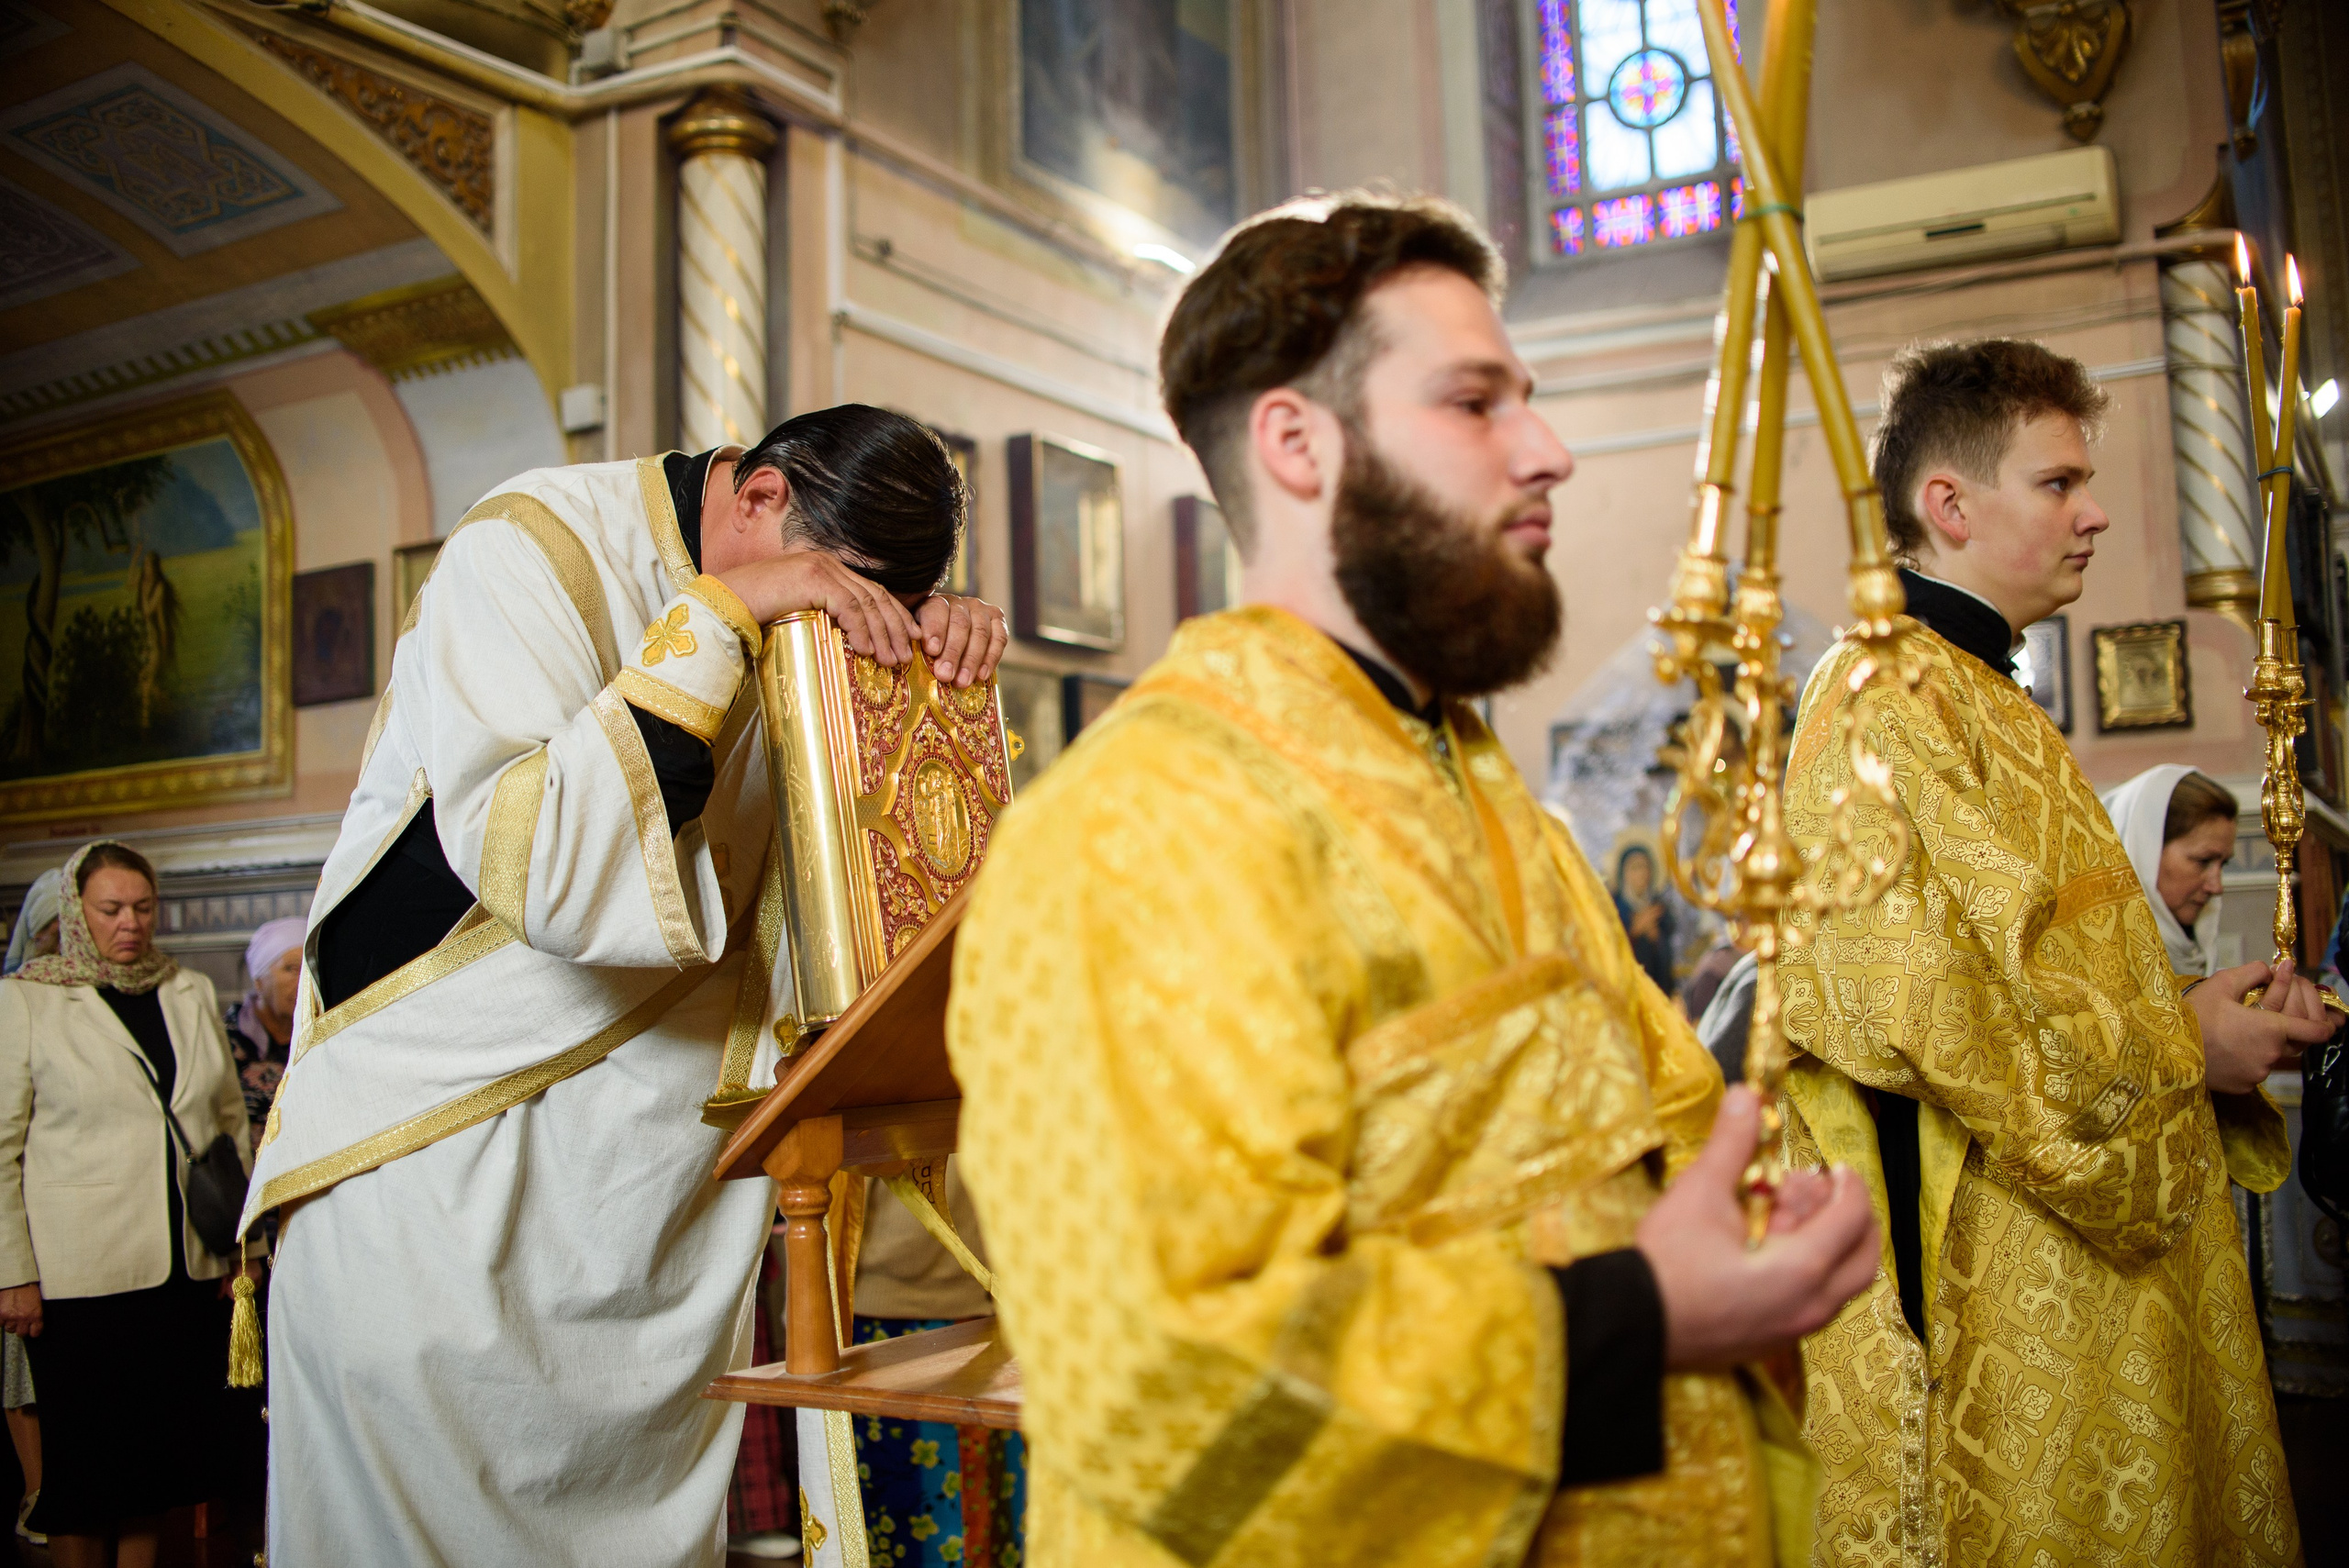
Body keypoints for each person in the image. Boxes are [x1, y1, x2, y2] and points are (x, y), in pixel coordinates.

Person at [948, 193, 1879, 1567]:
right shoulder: (1148, 819)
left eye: (1531, 402)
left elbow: (1625, 1130)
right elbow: (1162, 1375)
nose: (1548, 452)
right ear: (1298, 441)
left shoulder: (1483, 788)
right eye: (1476, 403)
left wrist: (1732, 1220)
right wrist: (1641, 1315)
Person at [241, 406, 1008, 1564]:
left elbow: (862, 891)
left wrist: (921, 666)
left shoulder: (813, 589)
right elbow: (545, 865)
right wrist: (718, 618)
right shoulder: (530, 546)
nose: (830, 620)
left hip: (654, 1218)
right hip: (452, 1168)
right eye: (830, 584)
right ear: (755, 496)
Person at [1777, 339, 2328, 1565]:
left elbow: (2049, 967)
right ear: (1949, 504)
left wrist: (2188, 1001)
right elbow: (1918, 1002)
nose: (2096, 514)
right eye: (2059, 483)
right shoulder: (1883, 697)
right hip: (1993, 1285)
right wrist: (2183, 1043)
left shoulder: (1980, 692)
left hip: (2079, 1259)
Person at [0, 841, 260, 1568]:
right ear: (76, 911)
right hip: (78, 1277)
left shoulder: (187, 989)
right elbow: (0, 1148)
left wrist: (243, 1245)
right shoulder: (29, 996)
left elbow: (228, 1124)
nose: (131, 923)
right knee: (85, 1477)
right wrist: (10, 1272)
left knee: (155, 1468)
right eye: (111, 908)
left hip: (182, 1267)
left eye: (143, 907)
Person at [0, 869, 55, 1549]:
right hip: (17, 1201)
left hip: (66, 1195)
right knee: (18, 1359)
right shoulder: (15, 1000)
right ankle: (37, 1485)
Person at [2101, 766, 2237, 978]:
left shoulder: (2194, 956)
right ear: (2145, 852)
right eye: (2203, 861)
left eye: (2223, 864)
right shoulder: (2099, 961)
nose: (2216, 887)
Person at [221, 916, 303, 1135]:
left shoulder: (321, 1036)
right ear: (259, 980)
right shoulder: (225, 1042)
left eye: (309, 968)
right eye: (291, 969)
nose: (303, 980)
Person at [1611, 843, 1676, 997]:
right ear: (1623, 873)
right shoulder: (1614, 908)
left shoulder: (1659, 908)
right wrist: (1633, 932)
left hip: (1656, 989)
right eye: (1635, 868)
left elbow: (1667, 953)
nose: (1642, 873)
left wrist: (1656, 938)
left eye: (1645, 867)